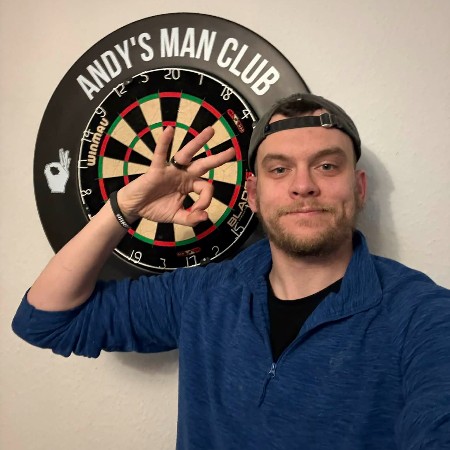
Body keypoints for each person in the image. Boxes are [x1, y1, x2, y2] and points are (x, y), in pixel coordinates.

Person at [12, 93, 450, 449]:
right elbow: (46, 319)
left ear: (359, 187)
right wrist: (128, 206)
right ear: (253, 195)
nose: (303, 185)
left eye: (327, 166)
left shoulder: (423, 315)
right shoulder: (203, 294)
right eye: (280, 169)